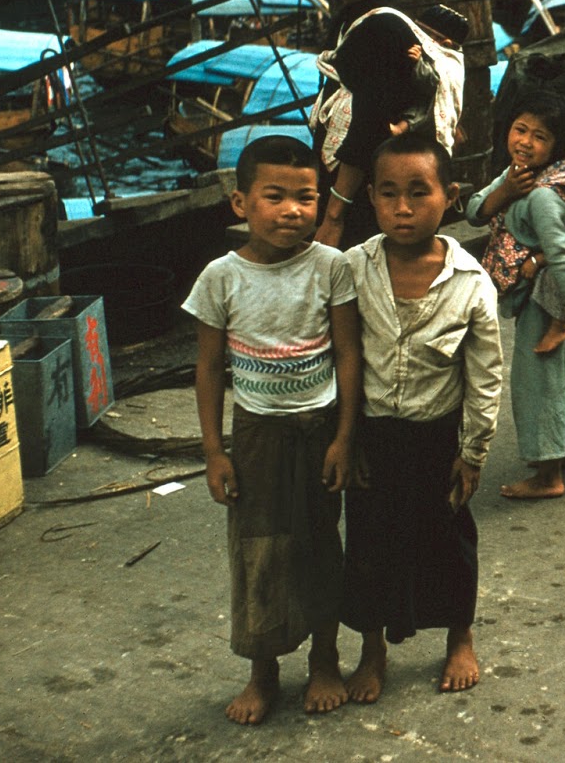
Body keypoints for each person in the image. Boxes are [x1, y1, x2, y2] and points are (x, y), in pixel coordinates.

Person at [182, 135, 362, 725]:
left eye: (306, 198)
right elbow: (209, 368)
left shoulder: (331, 268)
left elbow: (347, 355)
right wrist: (215, 453)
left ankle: (326, 660)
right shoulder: (219, 277)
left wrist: (343, 437)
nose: (292, 210)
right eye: (275, 196)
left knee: (319, 547)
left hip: (319, 430)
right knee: (259, 552)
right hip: (256, 434)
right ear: (241, 204)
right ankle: (263, 671)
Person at [339, 133, 503, 699]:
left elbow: (485, 376)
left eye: (418, 192)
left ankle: (460, 636)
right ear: (373, 200)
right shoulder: (353, 269)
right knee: (368, 543)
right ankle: (372, 648)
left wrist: (475, 451)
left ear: (450, 196)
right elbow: (342, 357)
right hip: (373, 434)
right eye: (388, 194)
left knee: (448, 538)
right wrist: (346, 438)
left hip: (439, 436)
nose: (402, 208)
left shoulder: (471, 283)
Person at [466, 89, 565, 499]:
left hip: (551, 292)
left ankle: (549, 476)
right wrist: (507, 191)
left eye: (540, 136)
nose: (526, 142)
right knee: (556, 373)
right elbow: (475, 209)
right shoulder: (521, 174)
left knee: (537, 378)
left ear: (558, 147)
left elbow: (562, 258)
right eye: (520, 129)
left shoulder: (548, 195)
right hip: (540, 286)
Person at [307, 0, 422, 249]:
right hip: (349, 188)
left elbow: (368, 124)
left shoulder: (380, 27)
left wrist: (334, 214)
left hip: (365, 195)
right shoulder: (349, 19)